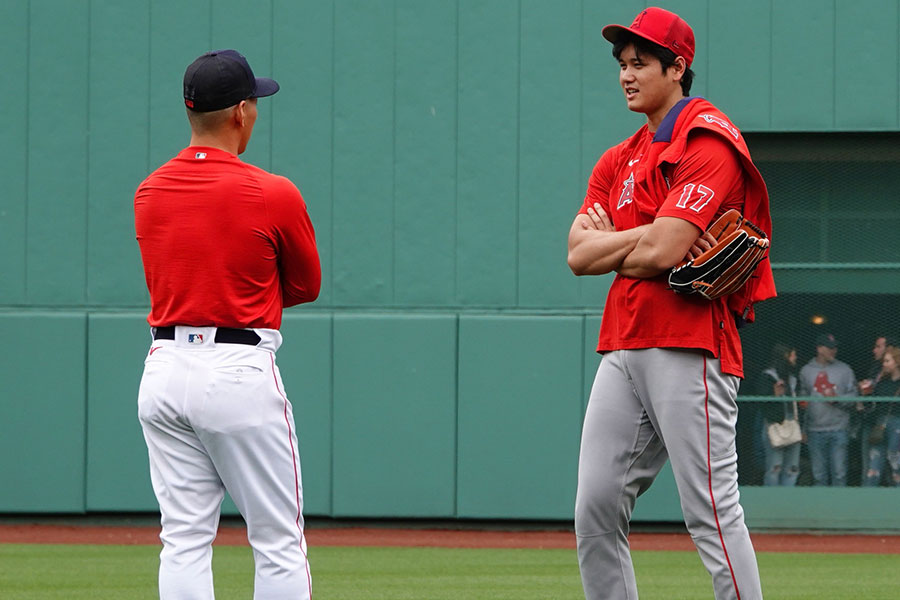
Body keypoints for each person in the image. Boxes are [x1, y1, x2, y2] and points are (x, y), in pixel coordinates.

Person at [567, 7, 775, 600]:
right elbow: (579, 256)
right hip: (623, 340)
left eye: (641, 63)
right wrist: (649, 239)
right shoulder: (618, 156)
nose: (627, 75)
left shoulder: (709, 140)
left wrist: (627, 242)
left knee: (710, 510)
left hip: (692, 342)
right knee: (595, 509)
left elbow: (665, 250)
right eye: (623, 65)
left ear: (677, 67)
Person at [134, 49, 321, 599]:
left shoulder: (149, 191)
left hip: (164, 369)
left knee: (184, 539)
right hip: (237, 368)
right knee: (277, 539)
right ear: (240, 112)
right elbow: (306, 287)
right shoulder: (272, 191)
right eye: (255, 103)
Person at [797, 333, 857, 487]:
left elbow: (854, 397)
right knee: (818, 475)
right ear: (819, 349)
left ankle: (839, 509)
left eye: (835, 348)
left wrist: (837, 399)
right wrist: (802, 428)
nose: (834, 351)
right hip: (814, 429)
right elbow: (801, 402)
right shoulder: (806, 371)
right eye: (830, 348)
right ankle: (820, 510)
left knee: (839, 473)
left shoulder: (845, 369)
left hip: (839, 428)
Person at [758, 344, 801, 486]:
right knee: (774, 467)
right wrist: (774, 395)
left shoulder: (793, 378)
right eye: (793, 355)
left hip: (792, 423)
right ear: (785, 356)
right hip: (774, 425)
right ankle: (771, 502)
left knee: (792, 468)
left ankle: (787, 501)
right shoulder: (768, 376)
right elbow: (761, 403)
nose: (796, 358)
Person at [862, 345, 900, 486]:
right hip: (880, 425)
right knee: (874, 462)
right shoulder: (882, 383)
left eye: (887, 361)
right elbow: (873, 407)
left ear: (897, 362)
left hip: (897, 425)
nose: (884, 364)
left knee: (896, 461)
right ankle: (869, 498)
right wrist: (866, 394)